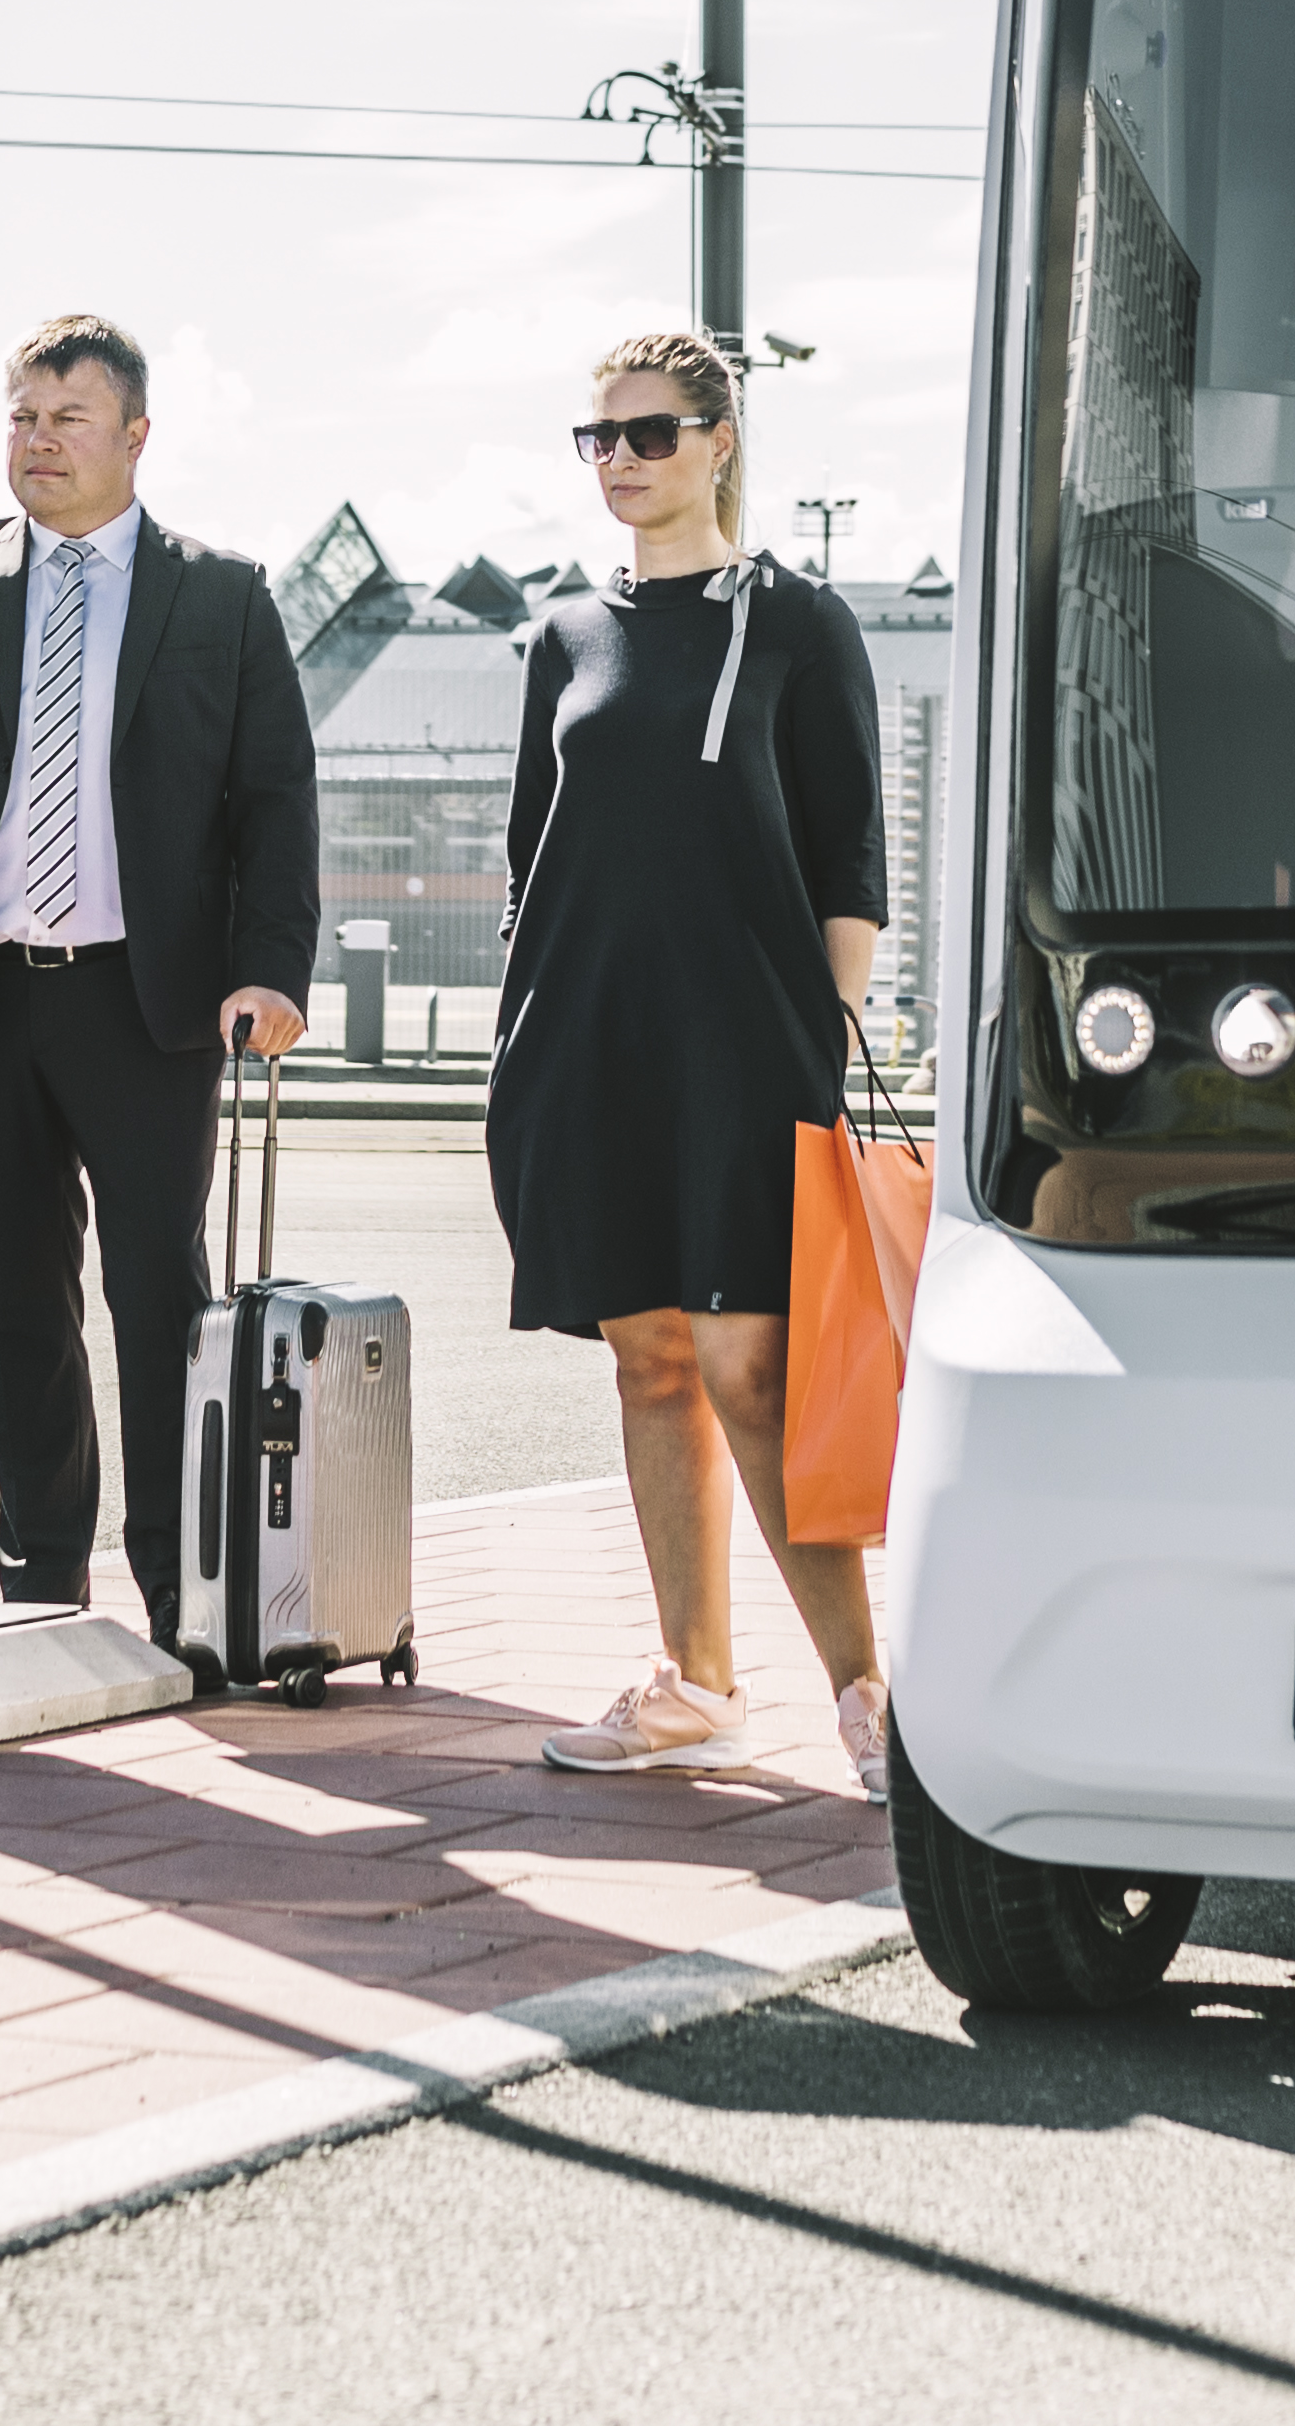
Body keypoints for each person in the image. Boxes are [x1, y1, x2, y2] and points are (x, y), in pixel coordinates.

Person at [488, 325, 893, 1793]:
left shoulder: (798, 624)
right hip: (585, 1039)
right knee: (651, 1358)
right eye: (597, 438)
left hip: (750, 1042)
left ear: (719, 438)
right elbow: (531, 851)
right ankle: (697, 1685)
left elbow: (851, 854)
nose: (620, 463)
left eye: (649, 434)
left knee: (751, 1364)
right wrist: (518, 1040)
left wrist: (820, 1047)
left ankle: (864, 1696)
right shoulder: (561, 634)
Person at [0, 314, 316, 1654]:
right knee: (14, 1306)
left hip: (145, 1002)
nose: (38, 443)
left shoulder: (221, 595)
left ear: (135, 436)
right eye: (23, 418)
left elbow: (273, 799)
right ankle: (42, 1580)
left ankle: (180, 1591)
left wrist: (269, 970)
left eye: (67, 419)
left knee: (160, 1298)